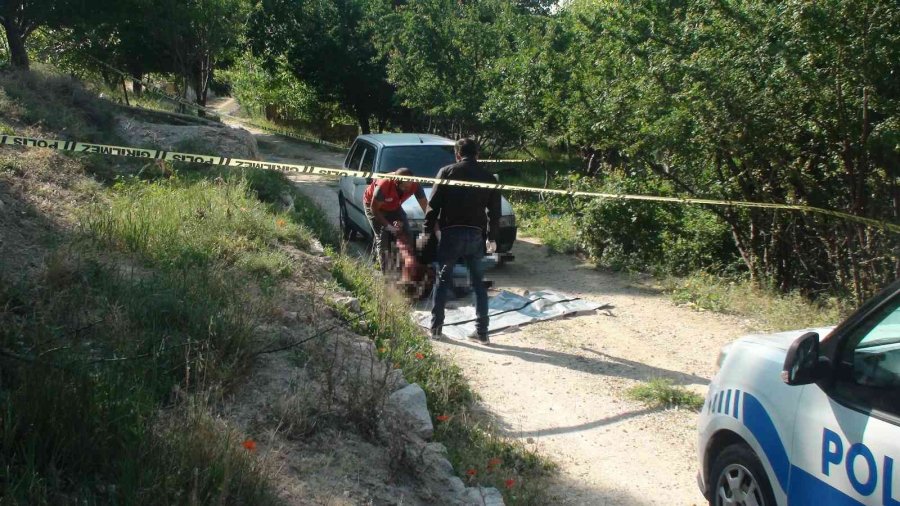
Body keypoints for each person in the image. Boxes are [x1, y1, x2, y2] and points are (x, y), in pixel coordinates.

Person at [421, 138, 501, 344]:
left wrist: (426, 232)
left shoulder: (446, 172)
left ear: (457, 154)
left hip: (451, 234)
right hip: (476, 235)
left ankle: (436, 329)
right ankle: (482, 333)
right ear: (478, 154)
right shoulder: (489, 177)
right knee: (478, 285)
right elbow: (495, 212)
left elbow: (433, 206)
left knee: (443, 280)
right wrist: (492, 238)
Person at [364, 167, 428, 271]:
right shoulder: (384, 185)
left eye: (409, 186)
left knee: (407, 233)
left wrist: (436, 225)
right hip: (374, 206)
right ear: (396, 183)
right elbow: (374, 210)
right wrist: (389, 226)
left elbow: (425, 206)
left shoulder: (415, 184)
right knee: (382, 237)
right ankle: (386, 273)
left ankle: (407, 267)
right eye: (404, 187)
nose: (408, 189)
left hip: (394, 205)